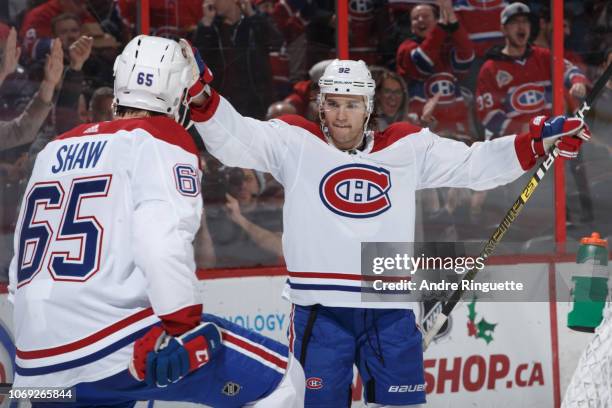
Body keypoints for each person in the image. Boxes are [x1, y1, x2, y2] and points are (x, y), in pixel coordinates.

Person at [185, 43, 590, 405]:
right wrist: (204, 96)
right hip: (320, 311)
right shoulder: (295, 142)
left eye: (353, 104)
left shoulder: (406, 146)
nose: (341, 116)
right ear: (320, 106)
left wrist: (537, 141)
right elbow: (236, 138)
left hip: (390, 308)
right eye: (333, 103)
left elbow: (474, 163)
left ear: (369, 107)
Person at [8, 35, 304, 407]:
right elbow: (159, 243)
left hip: (36, 362)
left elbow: (21, 269)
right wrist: (182, 326)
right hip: (111, 349)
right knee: (286, 381)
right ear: (178, 95)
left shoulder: (52, 150)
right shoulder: (162, 139)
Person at [475, 2, 587, 138]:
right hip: (513, 145)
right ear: (503, 29)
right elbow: (489, 116)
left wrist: (577, 81)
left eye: (525, 22)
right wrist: (523, 129)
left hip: (549, 139)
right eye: (514, 22)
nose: (521, 26)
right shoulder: (490, 68)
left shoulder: (543, 56)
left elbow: (570, 70)